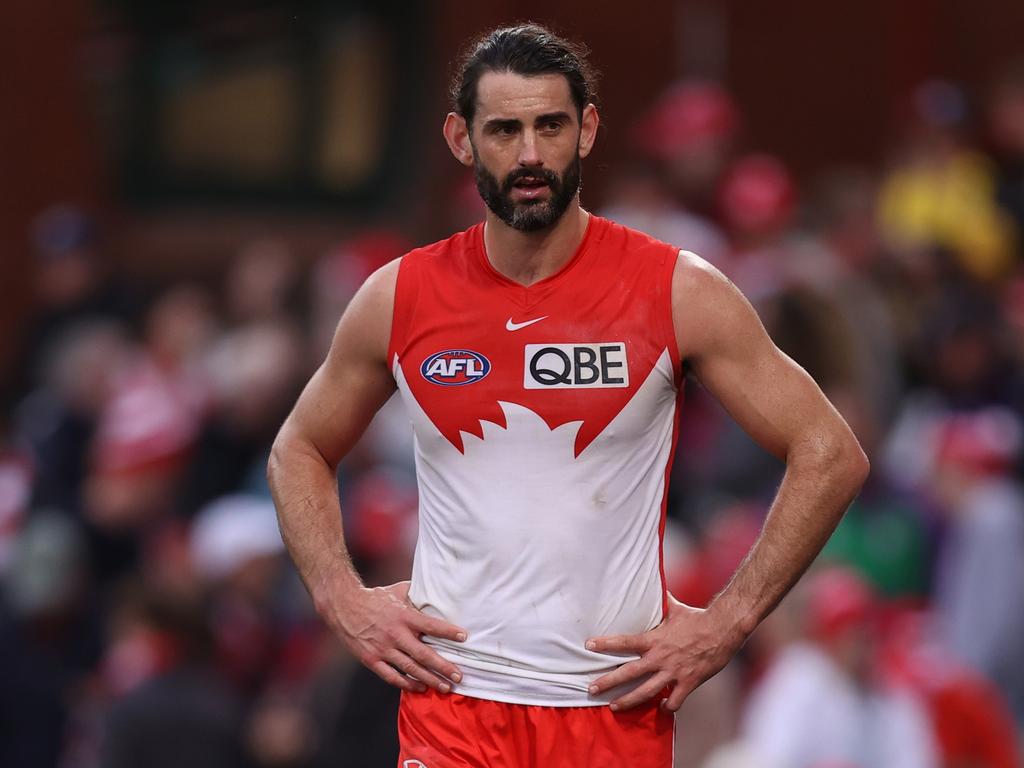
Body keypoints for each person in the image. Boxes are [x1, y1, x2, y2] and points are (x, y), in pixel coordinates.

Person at [268, 23, 869, 767]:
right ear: (460, 139)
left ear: (586, 129)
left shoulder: (676, 289)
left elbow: (830, 451)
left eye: (549, 125)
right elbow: (298, 446)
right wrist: (340, 598)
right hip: (453, 709)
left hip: (611, 714)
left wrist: (727, 623)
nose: (528, 154)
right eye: (504, 130)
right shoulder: (400, 297)